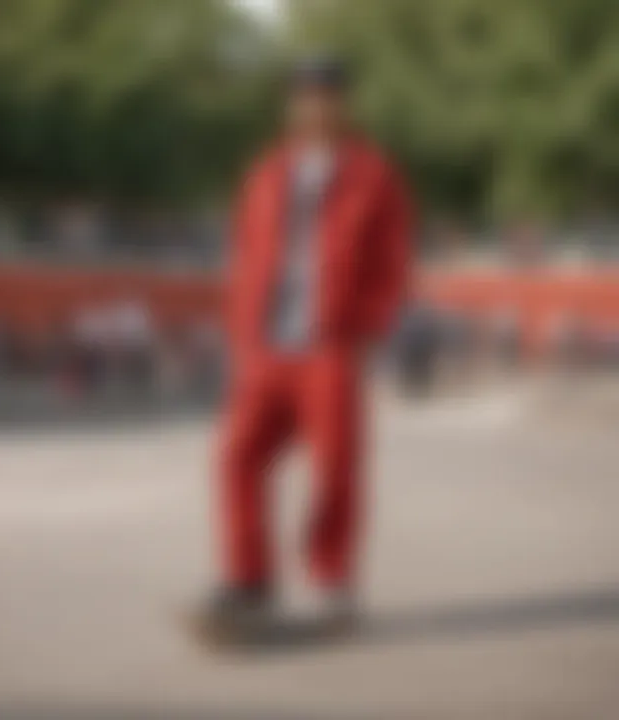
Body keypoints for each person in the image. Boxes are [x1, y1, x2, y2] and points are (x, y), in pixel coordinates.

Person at [198, 56, 413, 635]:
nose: (312, 106)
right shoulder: (266, 173)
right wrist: (240, 333)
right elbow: (244, 253)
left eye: (324, 95)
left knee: (336, 467)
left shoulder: (373, 175)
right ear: (288, 105)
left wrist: (366, 328)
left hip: (330, 345)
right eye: (301, 96)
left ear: (343, 104)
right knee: (237, 457)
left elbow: (392, 261)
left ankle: (331, 583)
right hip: (266, 347)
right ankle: (248, 579)